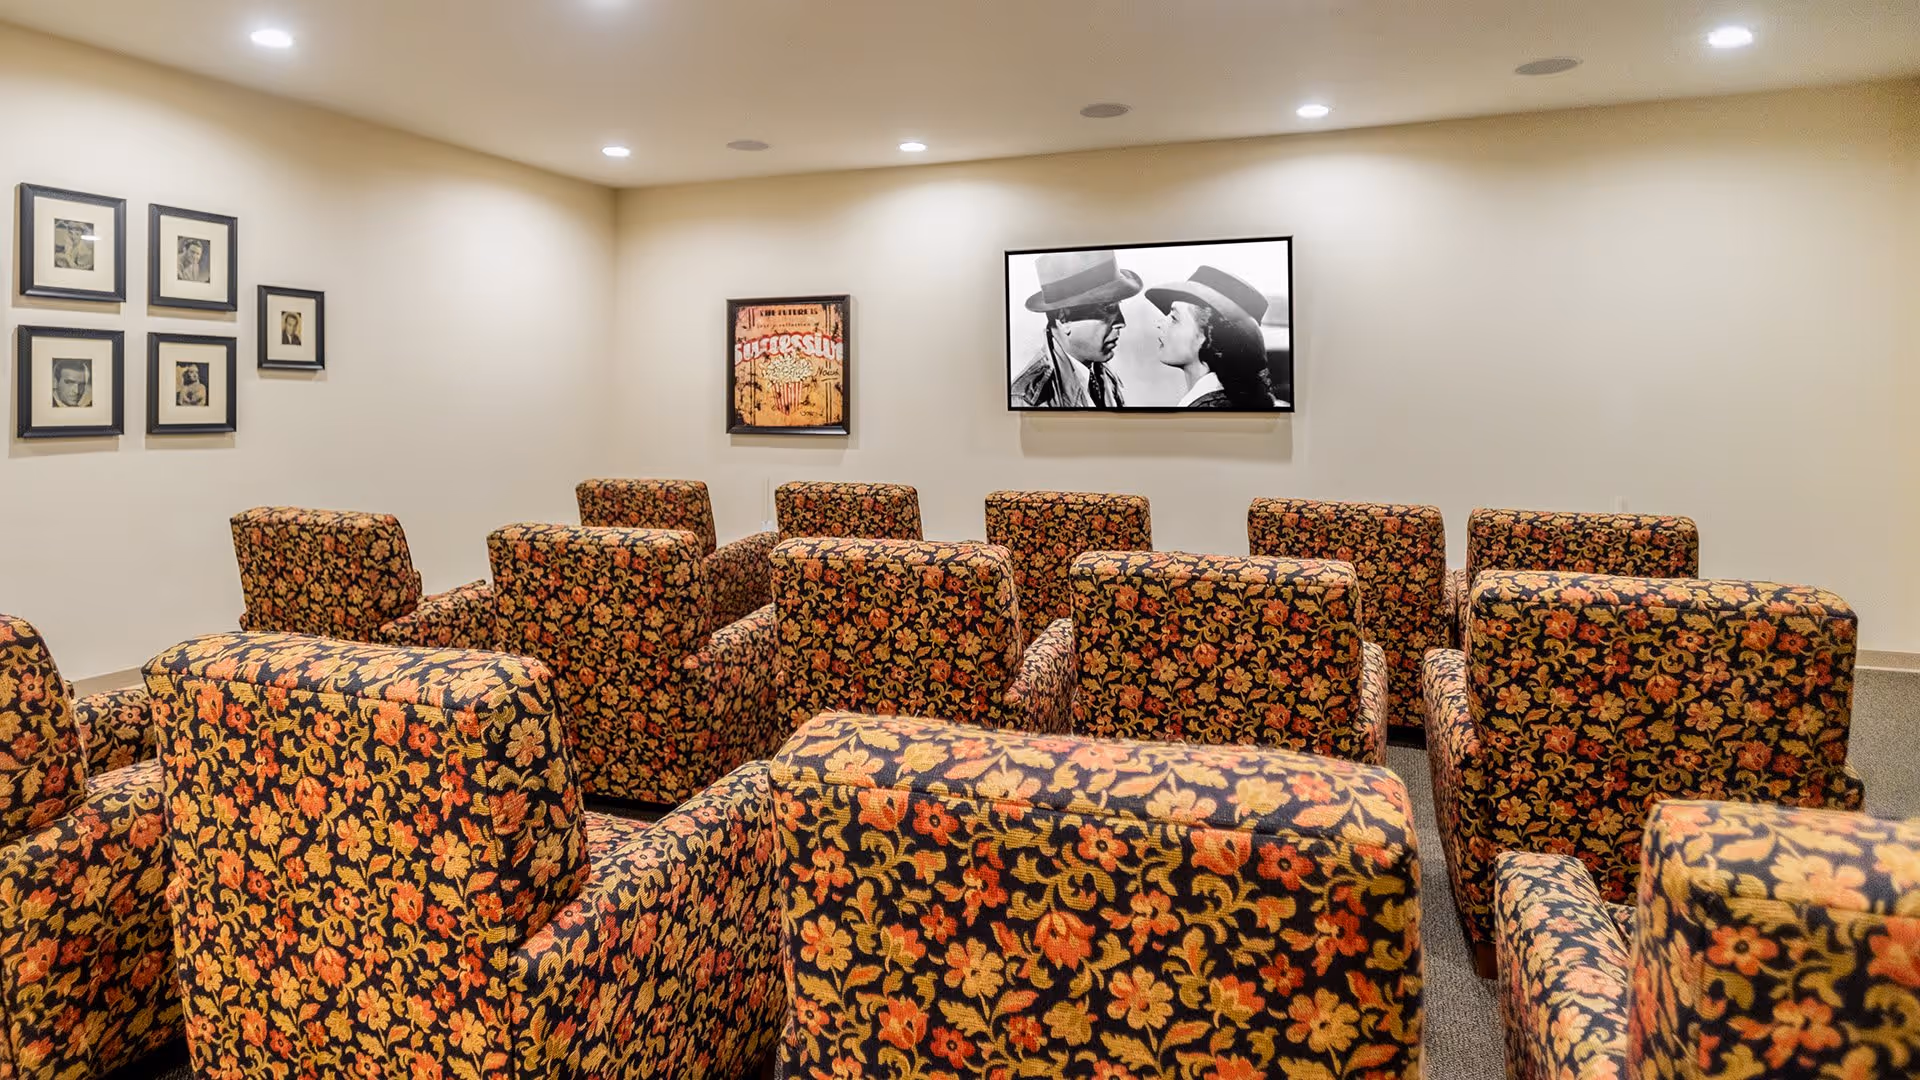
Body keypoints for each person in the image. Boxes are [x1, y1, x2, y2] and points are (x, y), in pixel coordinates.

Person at [1011, 250, 1140, 408]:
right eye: (1108, 307)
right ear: (1063, 318)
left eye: (1118, 306)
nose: (1121, 322)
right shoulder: (1030, 400)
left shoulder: (1102, 374)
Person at [1145, 265, 1278, 410]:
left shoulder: (1208, 410)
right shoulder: (1216, 402)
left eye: (1174, 318)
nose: (1160, 324)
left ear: (1208, 337)